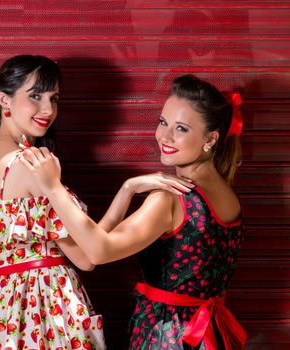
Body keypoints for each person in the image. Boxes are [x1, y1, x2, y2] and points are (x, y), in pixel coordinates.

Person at [0, 55, 193, 350]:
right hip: (47, 311)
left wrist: (15, 295)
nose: (48, 109)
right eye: (35, 96)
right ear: (4, 99)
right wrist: (128, 190)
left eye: (54, 98)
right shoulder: (33, 164)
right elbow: (87, 258)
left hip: (0, 317)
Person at [20, 74, 247, 349]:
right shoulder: (227, 193)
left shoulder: (170, 199)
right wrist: (129, 188)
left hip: (168, 337)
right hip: (210, 336)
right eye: (163, 122)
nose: (165, 136)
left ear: (210, 139)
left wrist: (52, 187)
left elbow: (98, 251)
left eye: (182, 128)